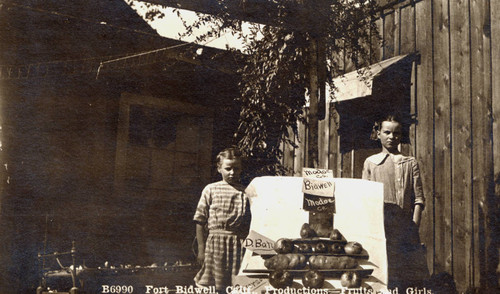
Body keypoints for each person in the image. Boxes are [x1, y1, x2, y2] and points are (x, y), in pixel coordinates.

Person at [362, 114, 426, 290]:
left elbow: (418, 199)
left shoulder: (410, 162)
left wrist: (413, 225)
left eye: (396, 133)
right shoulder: (371, 163)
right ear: (378, 133)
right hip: (381, 229)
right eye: (387, 132)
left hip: (406, 230)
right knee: (384, 276)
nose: (392, 137)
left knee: (407, 277)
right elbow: (367, 199)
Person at [193, 148, 251, 292]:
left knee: (234, 283)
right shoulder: (210, 189)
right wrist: (201, 249)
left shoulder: (245, 192)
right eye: (228, 168)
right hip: (215, 244)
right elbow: (200, 220)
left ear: (241, 169)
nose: (232, 172)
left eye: (236, 169)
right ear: (219, 169)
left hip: (237, 244)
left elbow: (248, 222)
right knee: (211, 283)